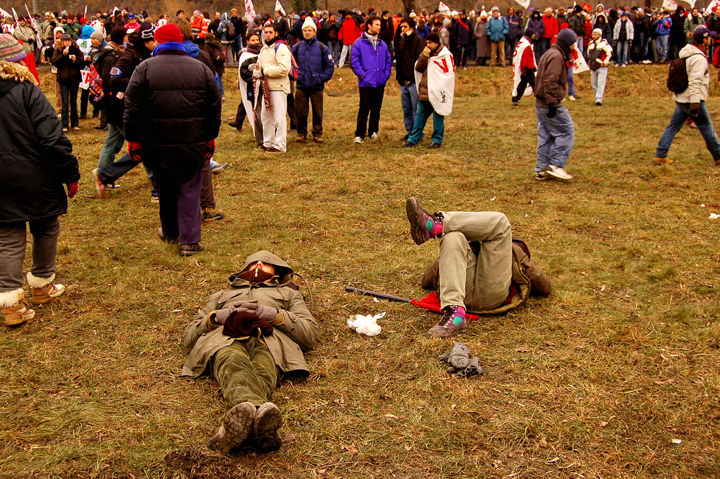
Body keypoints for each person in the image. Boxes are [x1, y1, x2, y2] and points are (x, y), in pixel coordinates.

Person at [181, 251, 318, 453]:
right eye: (253, 263)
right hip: (225, 339)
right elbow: (189, 336)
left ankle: (233, 430)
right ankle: (259, 421)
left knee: (264, 368)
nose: (259, 264)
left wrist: (273, 314)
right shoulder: (220, 296)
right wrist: (217, 317)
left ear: (277, 269)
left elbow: (309, 334)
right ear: (244, 269)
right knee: (232, 361)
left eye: (265, 262)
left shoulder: (289, 294)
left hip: (269, 341)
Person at [0, 34, 79, 326]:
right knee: (45, 226)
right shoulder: (27, 92)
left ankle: (11, 304)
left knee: (7, 238)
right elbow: (52, 139)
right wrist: (70, 173)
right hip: (35, 175)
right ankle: (42, 284)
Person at [123, 23, 221, 256]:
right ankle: (190, 240)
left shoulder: (144, 68)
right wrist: (210, 137)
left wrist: (133, 139)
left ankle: (170, 232)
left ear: (159, 42)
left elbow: (132, 107)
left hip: (156, 142)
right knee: (189, 188)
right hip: (192, 141)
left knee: (165, 187)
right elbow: (214, 106)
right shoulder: (200, 68)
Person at [404, 197, 551, 337]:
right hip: (465, 296)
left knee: (499, 222)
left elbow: (543, 286)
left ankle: (435, 225)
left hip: (488, 293)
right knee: (453, 236)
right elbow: (543, 285)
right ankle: (455, 313)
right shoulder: (463, 244)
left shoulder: (512, 247)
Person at [92, 24, 156, 198]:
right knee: (143, 147)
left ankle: (103, 177)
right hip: (121, 108)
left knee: (112, 143)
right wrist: (138, 81)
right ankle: (156, 187)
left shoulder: (141, 54)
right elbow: (113, 79)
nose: (156, 44)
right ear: (146, 41)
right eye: (153, 41)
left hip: (121, 108)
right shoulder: (129, 56)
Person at [653, 27, 720, 166]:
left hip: (682, 98)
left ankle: (660, 154)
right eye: (709, 37)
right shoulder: (699, 59)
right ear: (703, 40)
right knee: (706, 126)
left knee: (673, 126)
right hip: (692, 99)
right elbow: (695, 82)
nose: (711, 39)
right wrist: (695, 103)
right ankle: (718, 155)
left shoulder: (687, 53)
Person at [534, 29, 577, 181]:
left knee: (546, 136)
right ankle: (556, 164)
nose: (574, 46)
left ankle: (542, 168)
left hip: (541, 103)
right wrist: (552, 103)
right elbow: (550, 80)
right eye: (572, 43)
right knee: (566, 131)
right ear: (566, 43)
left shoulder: (549, 53)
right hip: (549, 103)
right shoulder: (557, 57)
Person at [402, 32, 454, 149]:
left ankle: (437, 140)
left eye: (430, 43)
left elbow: (448, 75)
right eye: (427, 42)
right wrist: (424, 55)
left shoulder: (445, 56)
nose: (428, 45)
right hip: (426, 91)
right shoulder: (427, 54)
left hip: (438, 92)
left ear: (436, 43)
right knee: (420, 116)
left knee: (438, 115)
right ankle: (413, 139)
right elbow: (419, 68)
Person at [292, 17, 334, 143]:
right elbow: (291, 65)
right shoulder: (297, 47)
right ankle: (301, 133)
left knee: (317, 111)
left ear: (315, 32)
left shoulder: (322, 48)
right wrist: (296, 77)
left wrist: (321, 78)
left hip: (317, 86)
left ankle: (317, 133)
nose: (307, 32)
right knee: (300, 111)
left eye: (309, 30)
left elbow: (329, 66)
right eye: (305, 30)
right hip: (301, 86)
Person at [351, 15, 392, 144]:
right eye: (377, 25)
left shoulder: (382, 44)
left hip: (379, 81)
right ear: (369, 26)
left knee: (376, 108)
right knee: (364, 108)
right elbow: (354, 61)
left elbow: (388, 60)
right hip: (366, 82)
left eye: (380, 25)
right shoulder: (359, 43)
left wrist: (385, 75)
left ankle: (373, 131)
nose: (379, 27)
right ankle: (360, 134)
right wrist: (363, 75)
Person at [256, 23, 292, 153]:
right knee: (266, 117)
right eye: (265, 32)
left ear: (276, 33)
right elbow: (259, 64)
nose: (268, 35)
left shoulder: (281, 48)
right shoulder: (264, 49)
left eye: (270, 32)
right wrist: (256, 70)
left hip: (278, 87)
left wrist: (264, 71)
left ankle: (280, 145)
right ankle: (268, 142)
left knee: (279, 118)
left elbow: (284, 69)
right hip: (266, 88)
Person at [396, 17, 426, 141]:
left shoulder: (418, 40)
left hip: (414, 81)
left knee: (416, 109)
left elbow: (421, 60)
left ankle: (418, 133)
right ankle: (410, 132)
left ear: (412, 28)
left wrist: (417, 78)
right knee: (406, 109)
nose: (402, 29)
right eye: (401, 27)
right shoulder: (401, 41)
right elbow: (399, 61)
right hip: (403, 81)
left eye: (405, 27)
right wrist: (399, 77)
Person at [51, 33, 84, 132]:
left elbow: (82, 64)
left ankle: (75, 123)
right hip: (63, 79)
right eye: (65, 41)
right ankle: (64, 124)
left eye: (68, 41)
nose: (67, 43)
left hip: (74, 79)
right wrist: (63, 55)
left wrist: (75, 60)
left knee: (73, 102)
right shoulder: (58, 50)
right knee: (65, 102)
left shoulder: (76, 50)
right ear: (62, 42)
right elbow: (54, 62)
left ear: (71, 41)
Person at [235, 30, 263, 145]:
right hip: (252, 88)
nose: (255, 42)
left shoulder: (263, 53)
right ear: (247, 41)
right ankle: (259, 137)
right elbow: (243, 73)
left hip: (265, 88)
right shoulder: (245, 56)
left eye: (257, 40)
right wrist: (255, 80)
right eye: (253, 40)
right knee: (256, 112)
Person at [587, 28, 612, 105]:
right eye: (593, 34)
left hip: (602, 67)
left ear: (599, 35)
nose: (593, 36)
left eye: (595, 35)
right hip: (593, 67)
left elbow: (610, 54)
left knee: (600, 83)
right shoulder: (591, 44)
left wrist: (604, 63)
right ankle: (597, 97)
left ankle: (599, 98)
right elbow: (589, 54)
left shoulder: (604, 44)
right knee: (594, 85)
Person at [511, 30, 536, 106]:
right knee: (534, 84)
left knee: (522, 84)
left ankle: (515, 99)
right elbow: (525, 57)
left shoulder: (524, 43)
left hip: (527, 67)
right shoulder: (526, 45)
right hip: (528, 68)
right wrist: (525, 68)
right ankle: (541, 99)